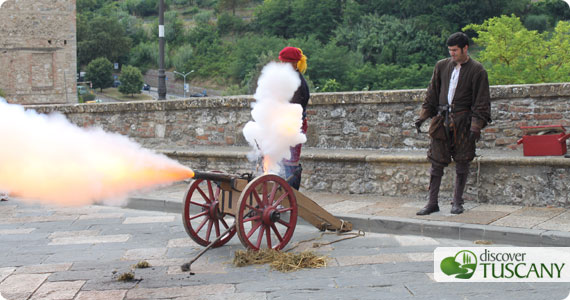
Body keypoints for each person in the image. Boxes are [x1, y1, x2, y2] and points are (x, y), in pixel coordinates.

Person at [414, 32, 491, 215]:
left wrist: (475, 126)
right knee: (436, 163)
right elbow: (431, 93)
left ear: (465, 48)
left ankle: (457, 202)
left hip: (463, 121)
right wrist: (423, 116)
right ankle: (432, 203)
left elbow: (482, 101)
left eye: (455, 50)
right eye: (450, 50)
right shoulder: (441, 66)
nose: (452, 54)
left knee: (462, 162)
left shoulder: (477, 70)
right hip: (441, 120)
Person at [278, 46, 310, 190]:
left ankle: (292, 196)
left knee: (290, 162)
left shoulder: (298, 83)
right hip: (284, 123)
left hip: (294, 125)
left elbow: (292, 108)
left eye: (285, 62)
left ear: (293, 63)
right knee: (282, 160)